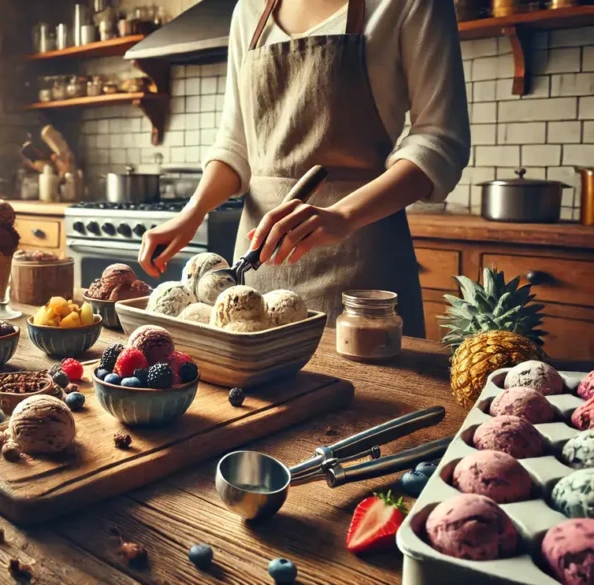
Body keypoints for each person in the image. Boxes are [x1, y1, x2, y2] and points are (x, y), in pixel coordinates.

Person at [138, 0, 470, 337]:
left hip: (362, 265)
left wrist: (343, 216)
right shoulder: (250, 9)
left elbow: (440, 139)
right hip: (259, 262)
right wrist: (193, 212)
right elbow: (236, 143)